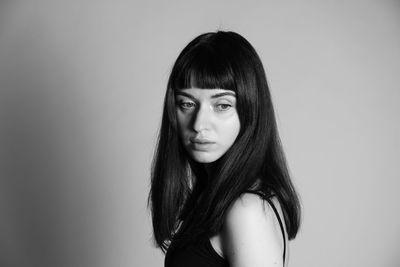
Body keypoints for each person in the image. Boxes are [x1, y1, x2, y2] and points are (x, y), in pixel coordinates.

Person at [148, 31, 301, 267]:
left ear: (251, 111)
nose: (199, 124)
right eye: (187, 104)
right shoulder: (218, 197)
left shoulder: (246, 211)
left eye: (222, 105)